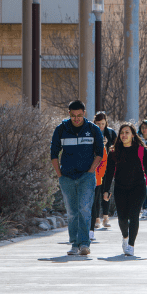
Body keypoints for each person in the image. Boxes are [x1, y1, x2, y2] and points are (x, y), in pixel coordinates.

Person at [102, 123, 147, 256]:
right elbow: (109, 172)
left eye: (127, 132)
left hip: (138, 187)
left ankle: (131, 245)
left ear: (132, 135)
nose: (124, 135)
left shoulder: (141, 150)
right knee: (122, 219)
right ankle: (125, 237)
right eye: (122, 133)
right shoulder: (114, 152)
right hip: (120, 188)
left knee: (134, 215)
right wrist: (106, 190)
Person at [50, 100, 103, 256]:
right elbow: (53, 154)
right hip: (67, 177)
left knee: (85, 209)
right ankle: (74, 244)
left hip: (86, 177)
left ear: (84, 113)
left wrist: (91, 170)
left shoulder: (93, 130)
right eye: (73, 116)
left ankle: (85, 244)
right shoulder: (61, 129)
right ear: (69, 114)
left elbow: (100, 152)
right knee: (72, 211)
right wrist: (60, 175)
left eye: (79, 115)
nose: (77, 119)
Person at [93, 112, 116, 228]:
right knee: (96, 193)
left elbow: (117, 147)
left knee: (106, 192)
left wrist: (108, 146)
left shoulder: (111, 133)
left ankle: (106, 217)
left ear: (106, 122)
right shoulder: (91, 132)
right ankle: (97, 218)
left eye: (103, 123)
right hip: (96, 168)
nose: (101, 126)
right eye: (98, 124)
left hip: (108, 167)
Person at [90, 135, 108, 241]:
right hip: (82, 179)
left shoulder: (100, 146)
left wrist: (98, 175)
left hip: (96, 181)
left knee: (93, 205)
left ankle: (91, 231)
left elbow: (104, 162)